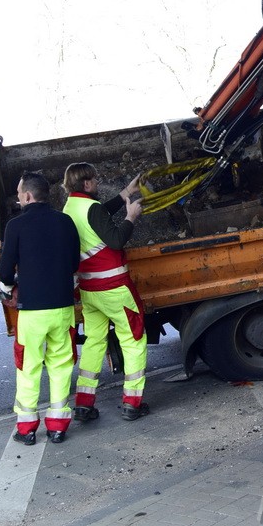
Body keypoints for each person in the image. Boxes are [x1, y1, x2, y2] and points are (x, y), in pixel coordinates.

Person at [0, 172, 81, 445]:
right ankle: (58, 426)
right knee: (60, 365)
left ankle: (27, 428)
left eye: (20, 194)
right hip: (63, 308)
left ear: (28, 196)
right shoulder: (65, 222)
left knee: (28, 367)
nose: (19, 198)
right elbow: (74, 262)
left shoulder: (15, 226)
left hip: (32, 312)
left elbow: (6, 271)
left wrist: (7, 285)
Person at [62, 162, 149, 422]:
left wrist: (123, 194)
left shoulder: (71, 207)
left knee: (94, 343)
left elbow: (96, 217)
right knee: (133, 340)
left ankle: (84, 404)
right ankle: (132, 402)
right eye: (95, 180)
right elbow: (115, 239)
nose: (97, 183)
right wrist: (130, 216)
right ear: (86, 184)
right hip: (114, 288)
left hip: (90, 289)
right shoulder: (92, 208)